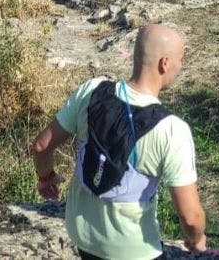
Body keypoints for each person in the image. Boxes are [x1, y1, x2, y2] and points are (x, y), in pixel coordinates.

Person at [31, 24, 207, 259]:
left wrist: (46, 178)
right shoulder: (172, 130)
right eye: (180, 60)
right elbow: (190, 217)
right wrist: (196, 239)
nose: (181, 66)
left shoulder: (91, 90)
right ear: (164, 63)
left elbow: (41, 146)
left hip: (83, 238)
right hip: (134, 250)